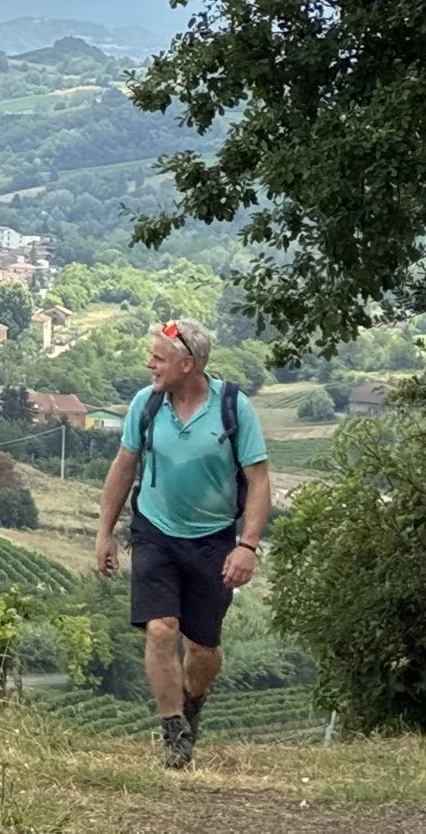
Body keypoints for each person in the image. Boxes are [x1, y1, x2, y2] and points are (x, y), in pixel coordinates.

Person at [93, 317, 272, 770]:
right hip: (154, 530)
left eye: (158, 357)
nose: (149, 364)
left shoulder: (234, 407)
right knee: (159, 629)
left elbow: (258, 479)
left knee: (204, 650)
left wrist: (247, 545)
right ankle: (173, 729)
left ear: (187, 364)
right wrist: (105, 533)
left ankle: (193, 701)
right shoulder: (145, 404)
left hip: (213, 539)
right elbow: (124, 465)